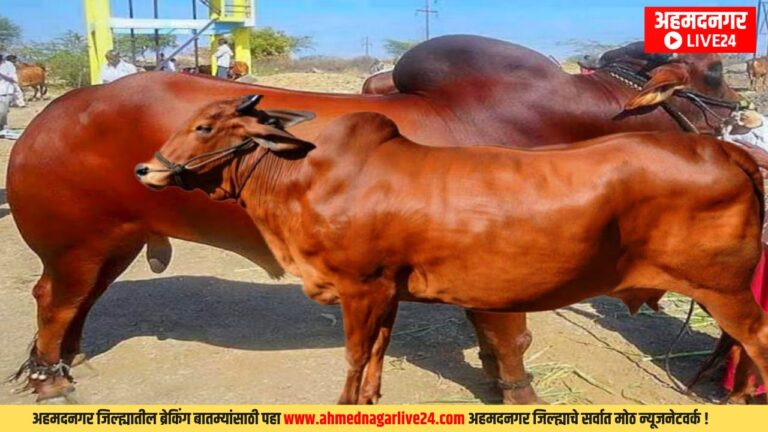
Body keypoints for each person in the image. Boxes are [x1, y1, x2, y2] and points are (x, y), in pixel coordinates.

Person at [0, 54, 18, 133]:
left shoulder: (9, 65)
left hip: (6, 91)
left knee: (3, 111)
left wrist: (1, 75)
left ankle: (3, 125)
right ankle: (3, 126)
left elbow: (14, 79)